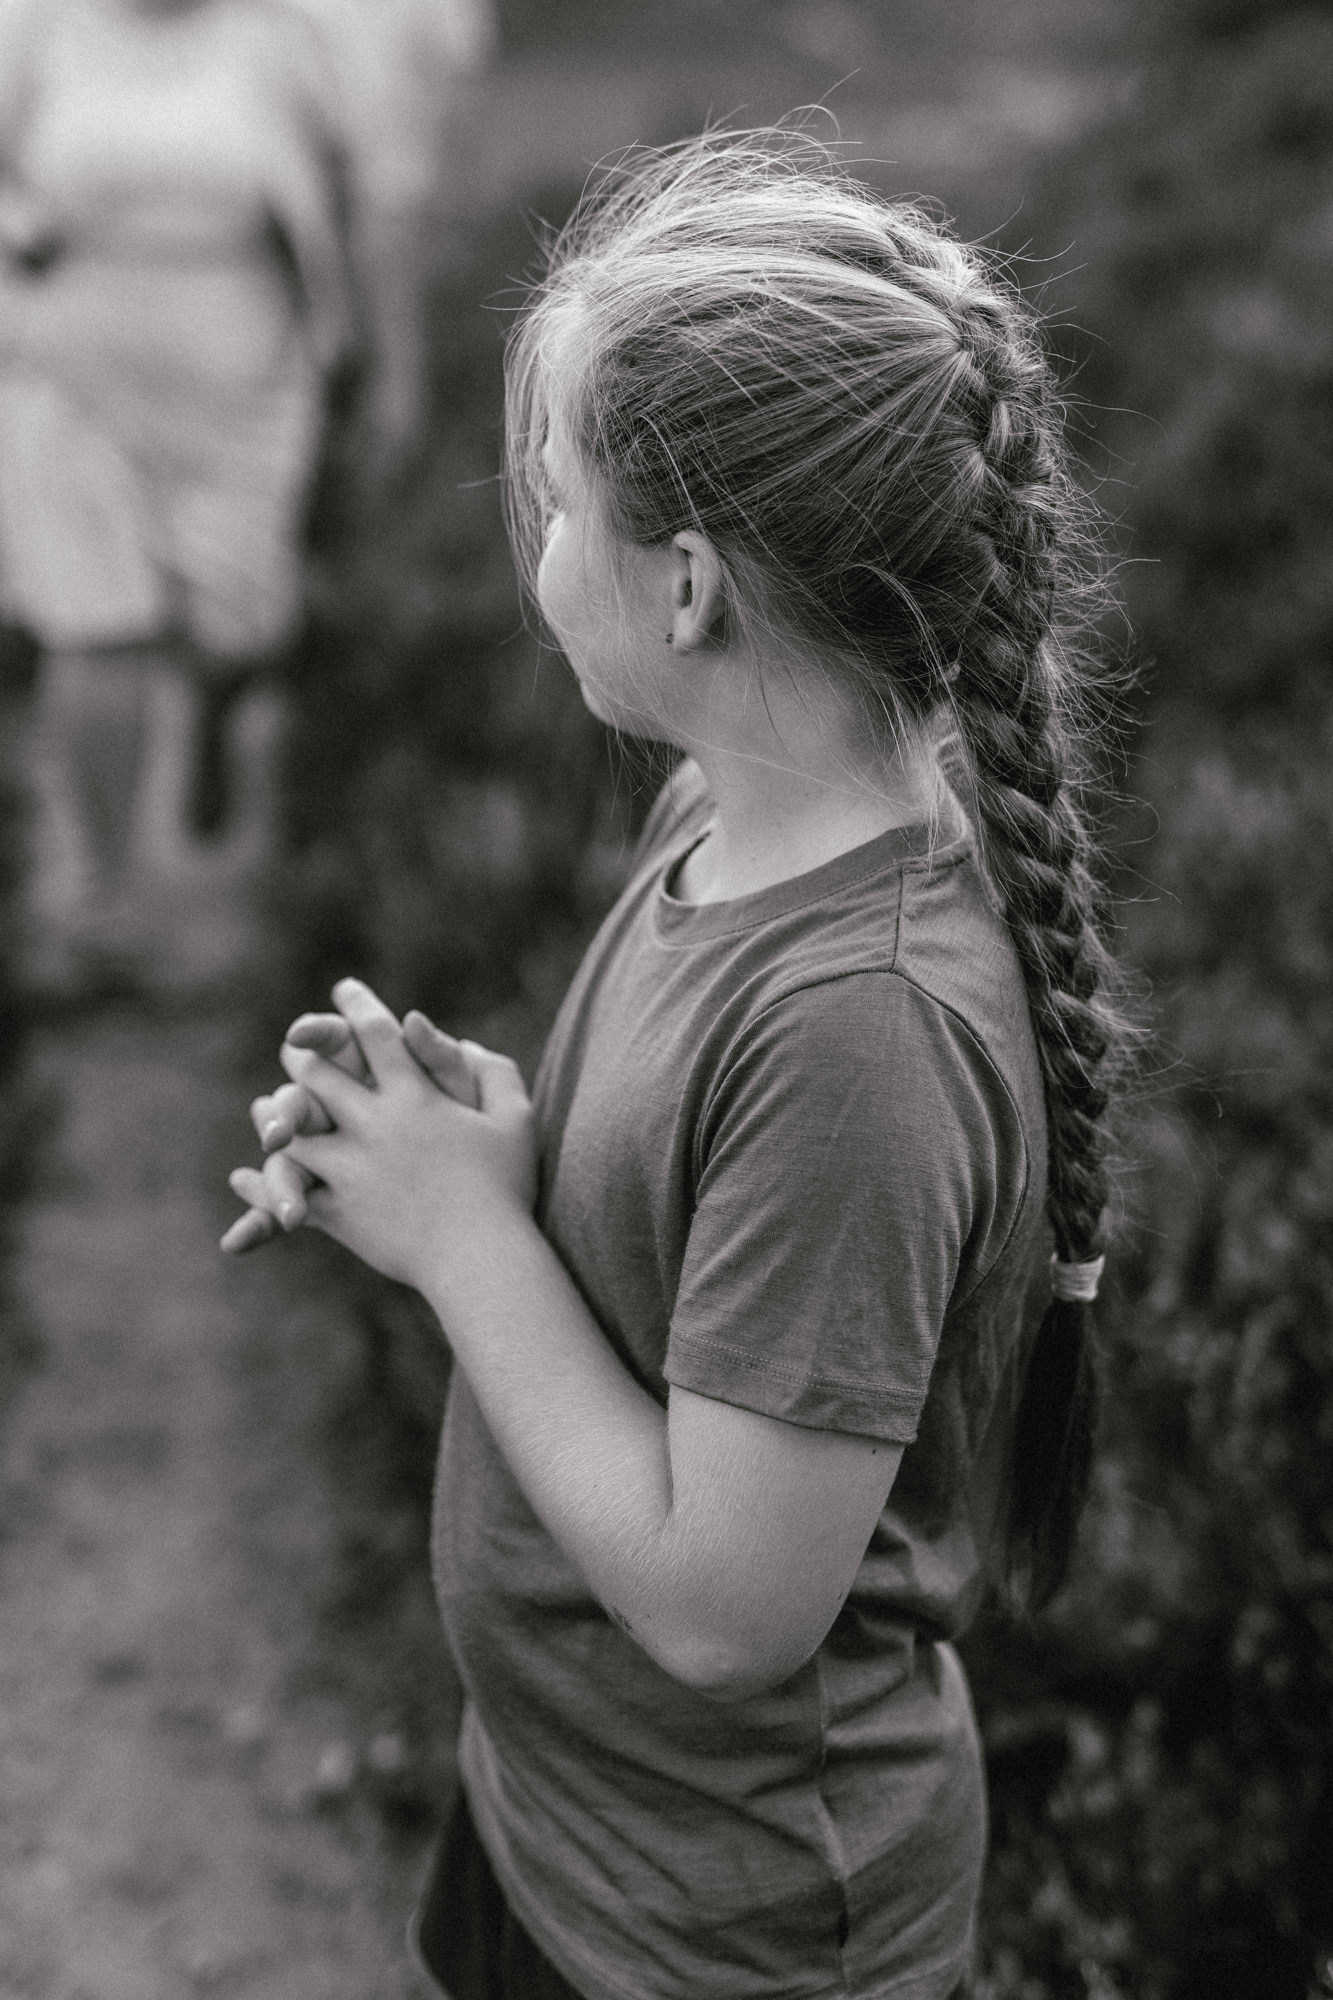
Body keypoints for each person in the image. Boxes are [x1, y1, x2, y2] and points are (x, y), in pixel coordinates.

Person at [222, 131, 1130, 2000]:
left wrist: (468, 1247)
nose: (535, 546)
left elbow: (726, 1611)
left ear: (692, 588)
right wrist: (461, 1154)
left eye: (555, 505)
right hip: (564, 1816)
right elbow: (683, 1246)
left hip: (726, 1930)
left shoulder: (860, 1030)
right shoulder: (731, 815)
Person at [0, 0, 358, 982]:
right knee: (95, 626)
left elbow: (334, 189)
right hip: (69, 358)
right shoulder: (35, 25)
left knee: (235, 629)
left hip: (238, 361)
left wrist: (352, 348)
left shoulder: (279, 38)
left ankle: (209, 869)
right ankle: (96, 899)